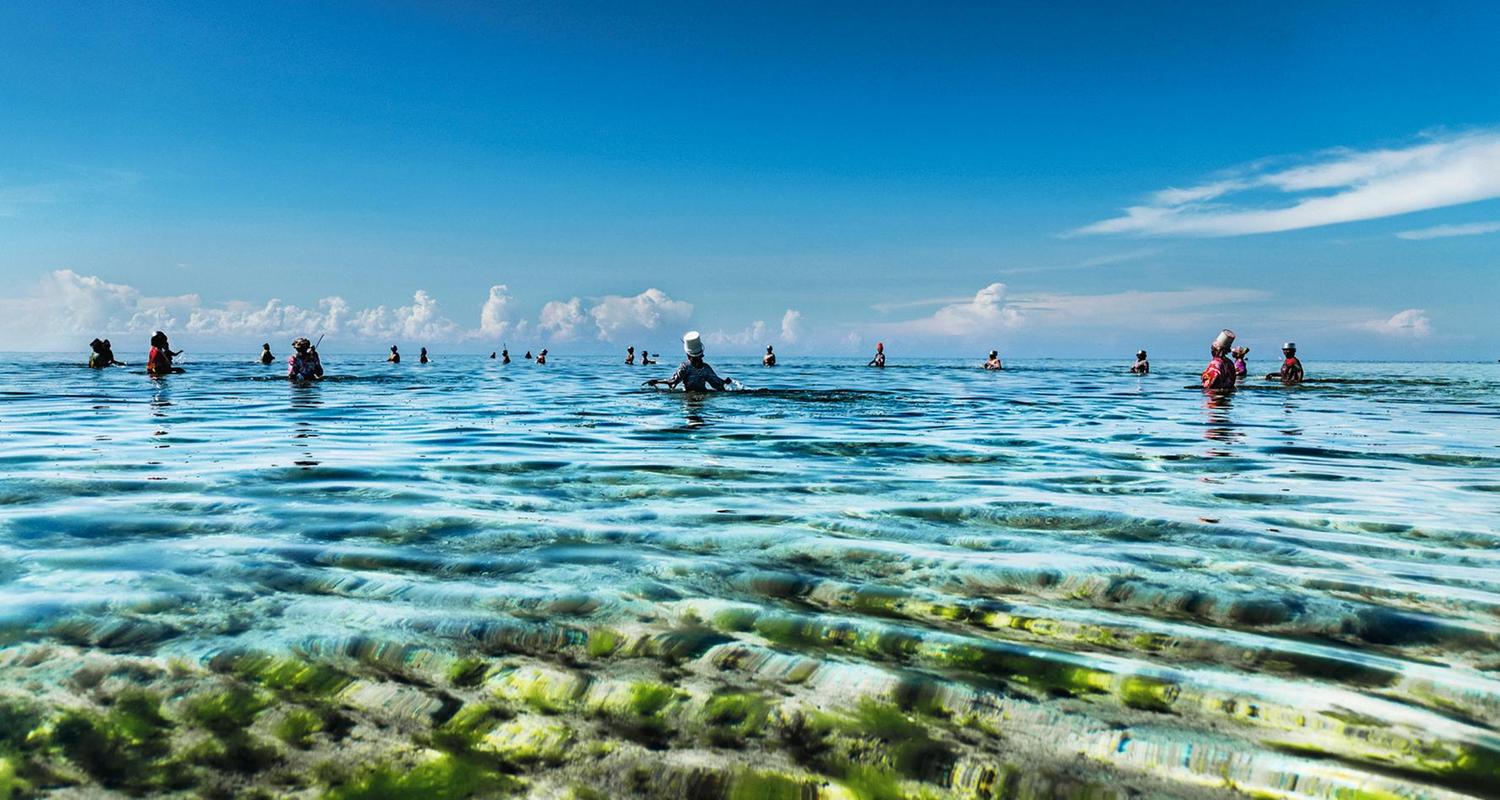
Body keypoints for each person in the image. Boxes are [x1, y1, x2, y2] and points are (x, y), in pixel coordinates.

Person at [652, 331, 732, 391]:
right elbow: (718, 384)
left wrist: (656, 381)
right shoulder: (706, 368)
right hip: (703, 397)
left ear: (688, 355)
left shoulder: (685, 367)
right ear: (702, 354)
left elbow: (673, 381)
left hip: (689, 397)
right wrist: (725, 381)